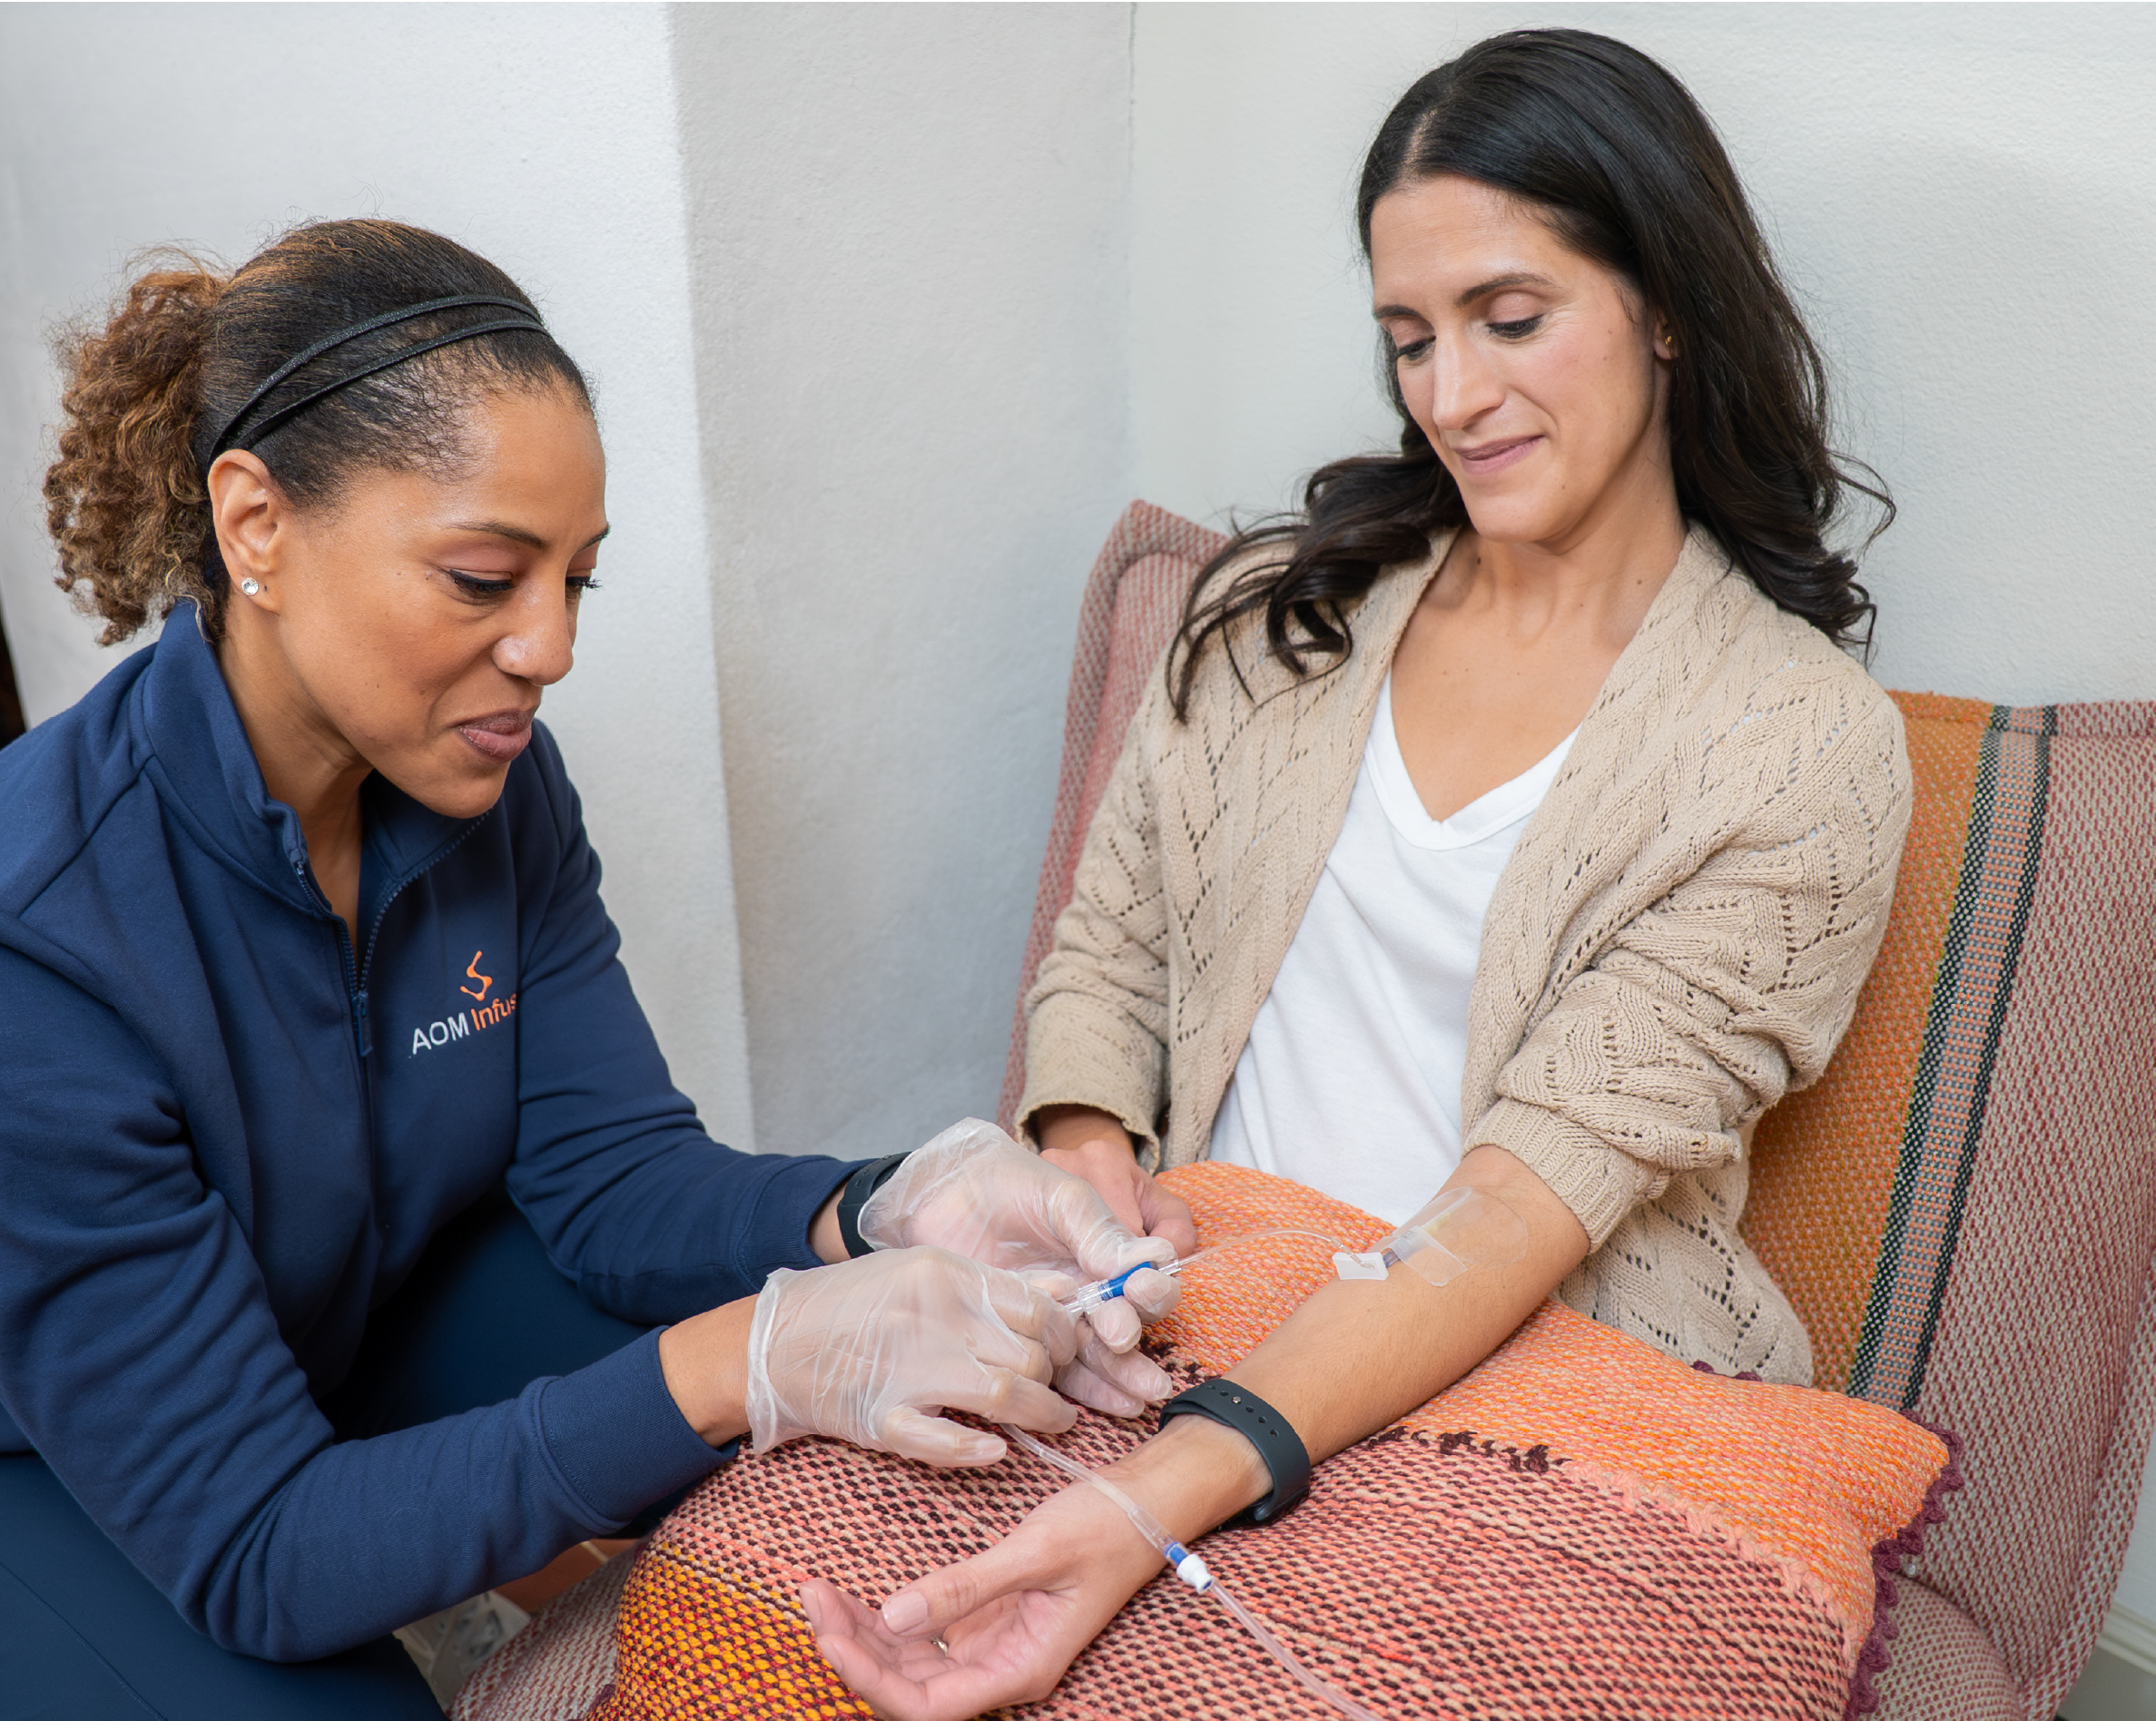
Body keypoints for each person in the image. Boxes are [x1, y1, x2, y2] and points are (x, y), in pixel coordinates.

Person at [804, 28, 1914, 1718]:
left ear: (1667, 301)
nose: (1450, 396)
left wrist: (1174, 1481)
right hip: (1178, 1313)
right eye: (1410, 338)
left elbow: (1520, 1208)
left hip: (1530, 1376)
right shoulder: (1273, 619)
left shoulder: (1792, 743)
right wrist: (1091, 1170)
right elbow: (1105, 959)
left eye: (1510, 318)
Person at [0, 221, 1173, 1718]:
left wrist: (884, 1199)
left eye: (577, 584)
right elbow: (258, 1549)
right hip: (68, 1464)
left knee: (822, 1448)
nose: (546, 649)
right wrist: (744, 1355)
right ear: (255, 527)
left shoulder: (488, 788)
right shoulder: (41, 939)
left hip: (359, 1308)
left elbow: (611, 1174)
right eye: (485, 578)